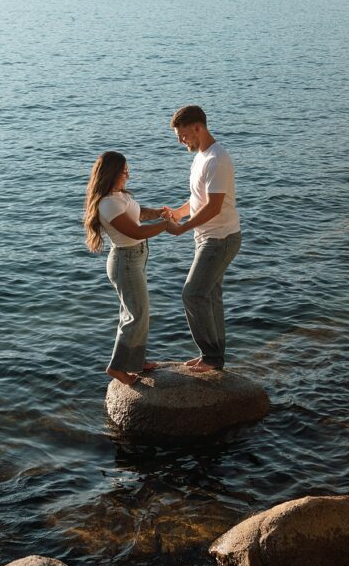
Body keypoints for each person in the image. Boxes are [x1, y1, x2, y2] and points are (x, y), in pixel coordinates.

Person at [163, 106, 241, 373]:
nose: (180, 141)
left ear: (197, 128)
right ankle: (213, 357)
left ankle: (211, 356)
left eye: (182, 135)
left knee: (192, 294)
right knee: (209, 295)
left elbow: (214, 207)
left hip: (220, 238)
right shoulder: (201, 157)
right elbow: (199, 202)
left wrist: (182, 228)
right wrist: (178, 212)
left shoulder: (216, 159)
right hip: (210, 237)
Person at [84, 151, 168, 386]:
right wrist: (165, 225)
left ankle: (135, 361)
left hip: (135, 259)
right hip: (126, 261)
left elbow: (138, 214)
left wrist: (159, 213)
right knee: (137, 314)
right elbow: (135, 232)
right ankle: (116, 367)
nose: (128, 174)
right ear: (111, 174)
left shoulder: (119, 196)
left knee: (135, 313)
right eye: (123, 171)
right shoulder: (108, 203)